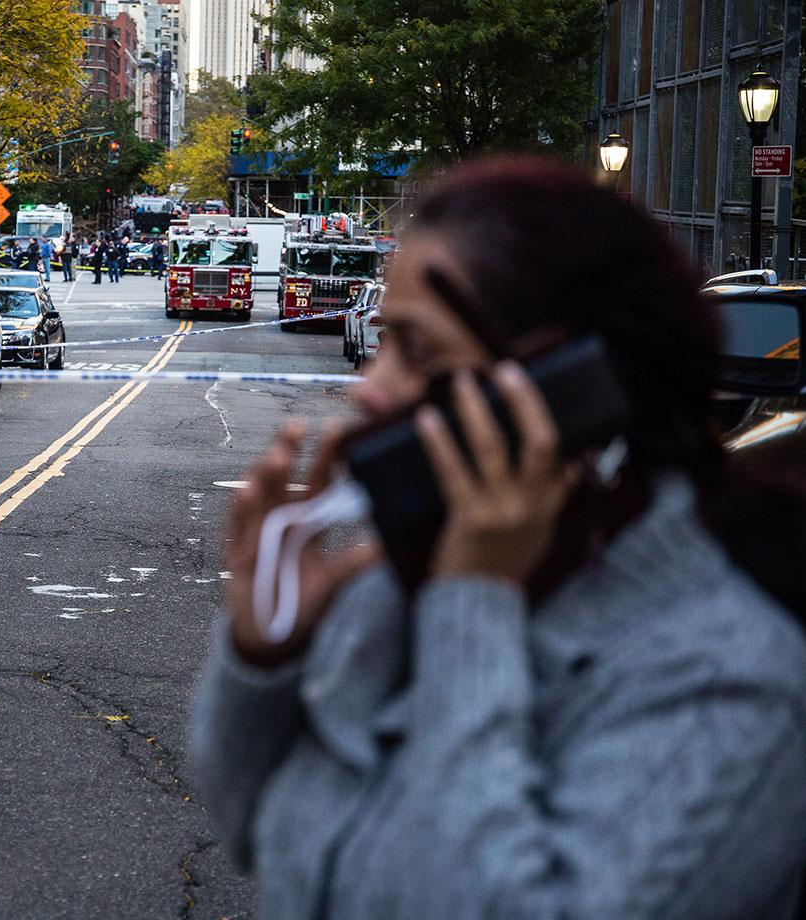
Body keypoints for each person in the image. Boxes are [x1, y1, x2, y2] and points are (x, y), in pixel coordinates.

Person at [192, 156, 806, 918]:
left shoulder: (724, 683)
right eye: (381, 341)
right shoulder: (396, 584)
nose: (367, 388)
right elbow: (248, 824)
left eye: (416, 350)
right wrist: (265, 655)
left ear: (564, 388)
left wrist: (472, 607)